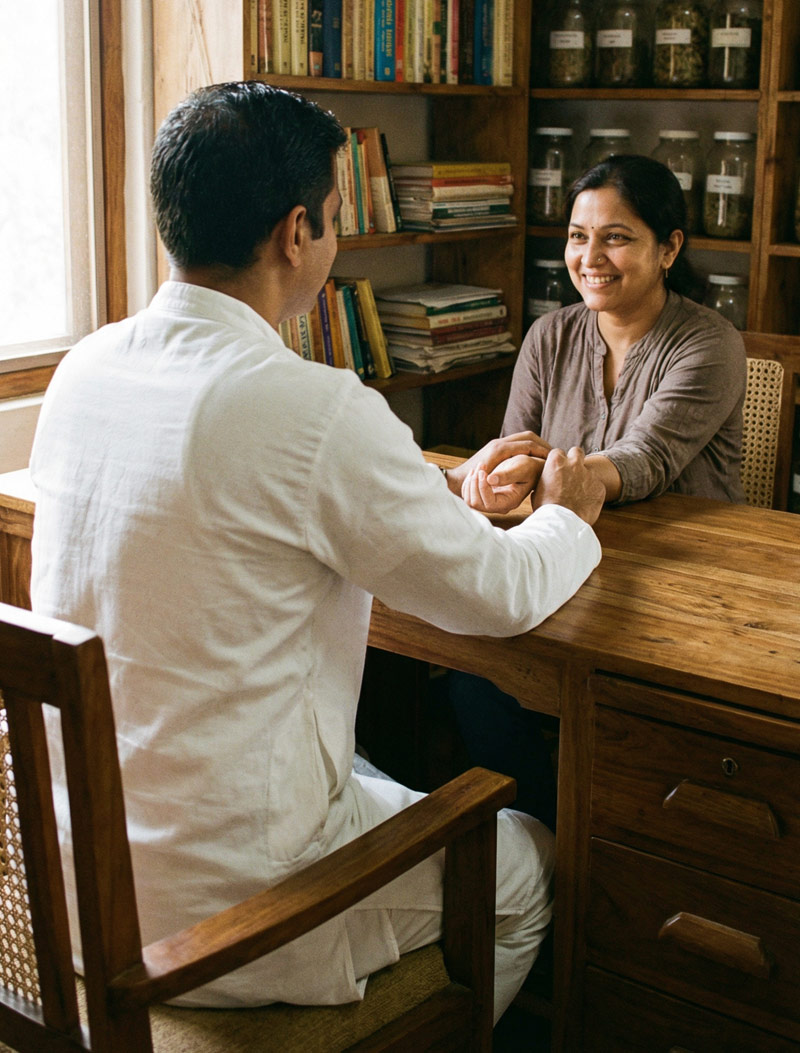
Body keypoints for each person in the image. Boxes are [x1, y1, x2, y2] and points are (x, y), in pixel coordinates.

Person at [29, 81, 606, 1023]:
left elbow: (249, 500)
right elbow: (501, 591)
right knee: (527, 859)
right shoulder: (310, 403)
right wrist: (570, 514)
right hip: (230, 918)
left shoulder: (85, 369)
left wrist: (450, 491)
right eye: (337, 220)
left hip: (81, 882)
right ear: (297, 232)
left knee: (380, 766)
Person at [440, 155, 748, 826]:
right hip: (569, 567)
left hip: (689, 590)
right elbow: (514, 452)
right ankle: (546, 838)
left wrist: (555, 473)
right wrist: (498, 477)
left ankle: (597, 843)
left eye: (616, 237)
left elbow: (645, 459)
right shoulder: (549, 335)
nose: (590, 256)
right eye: (579, 236)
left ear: (669, 248)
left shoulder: (711, 343)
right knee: (469, 668)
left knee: (624, 712)